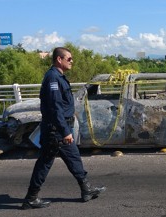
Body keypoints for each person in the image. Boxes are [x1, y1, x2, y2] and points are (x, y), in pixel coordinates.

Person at [22, 47, 105, 210]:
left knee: (74, 157)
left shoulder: (59, 77)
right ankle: (31, 198)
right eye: (69, 58)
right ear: (59, 59)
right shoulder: (53, 77)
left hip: (61, 128)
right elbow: (54, 108)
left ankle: (86, 189)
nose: (72, 61)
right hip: (56, 130)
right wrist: (65, 131)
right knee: (45, 162)